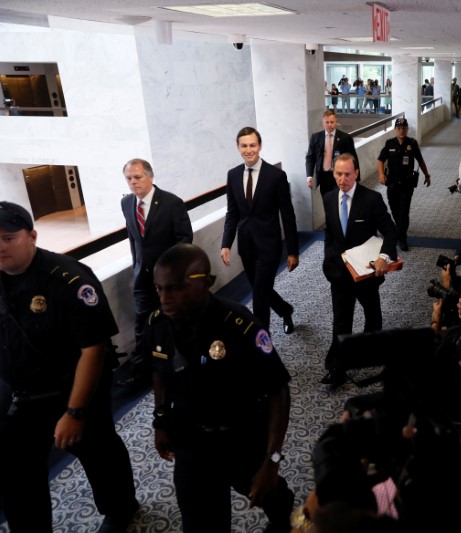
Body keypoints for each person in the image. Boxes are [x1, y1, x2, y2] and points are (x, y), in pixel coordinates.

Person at [0, 201, 139, 533]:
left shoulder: (67, 279)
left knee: (98, 452)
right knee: (18, 474)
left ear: (31, 236)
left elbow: (92, 348)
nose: (0, 247)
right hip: (22, 397)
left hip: (73, 390)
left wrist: (74, 412)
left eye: (8, 238)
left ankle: (120, 509)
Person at [146, 243, 294, 533]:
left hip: (240, 438)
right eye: (159, 288)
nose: (165, 298)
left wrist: (272, 460)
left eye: (175, 288)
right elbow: (160, 370)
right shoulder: (158, 323)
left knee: (274, 500)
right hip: (191, 441)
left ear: (207, 283)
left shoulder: (241, 326)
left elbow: (279, 390)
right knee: (201, 523)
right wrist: (161, 417)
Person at [320, 153, 398, 387]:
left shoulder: (372, 199)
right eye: (338, 174)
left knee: (372, 315)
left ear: (356, 174)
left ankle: (369, 351)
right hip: (339, 273)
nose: (342, 179)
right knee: (341, 321)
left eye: (347, 174)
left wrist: (384, 257)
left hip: (366, 273)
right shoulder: (328, 197)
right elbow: (331, 233)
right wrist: (328, 259)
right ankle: (337, 369)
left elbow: (390, 231)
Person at [117, 158, 193, 389]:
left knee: (173, 323)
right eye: (129, 178)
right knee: (142, 326)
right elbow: (134, 241)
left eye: (137, 177)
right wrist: (136, 267)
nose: (133, 183)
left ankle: (181, 367)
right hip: (142, 278)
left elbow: (185, 240)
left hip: (168, 280)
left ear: (150, 176)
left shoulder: (172, 203)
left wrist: (173, 274)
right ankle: (141, 373)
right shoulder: (127, 203)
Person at [221, 127, 299, 335]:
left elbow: (288, 215)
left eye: (252, 145)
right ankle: (285, 309)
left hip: (269, 246)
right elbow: (232, 213)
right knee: (261, 289)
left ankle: (261, 343)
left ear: (260, 146)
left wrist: (293, 251)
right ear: (238, 148)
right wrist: (226, 243)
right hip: (246, 246)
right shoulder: (233, 175)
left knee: (258, 296)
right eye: (244, 146)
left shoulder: (276, 176)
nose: (249, 150)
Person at [377, 117, 432, 251]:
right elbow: (380, 160)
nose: (401, 131)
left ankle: (402, 239)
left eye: (404, 128)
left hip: (407, 183)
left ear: (407, 129)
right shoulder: (389, 143)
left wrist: (427, 175)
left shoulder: (412, 143)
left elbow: (420, 160)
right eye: (399, 128)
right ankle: (399, 231)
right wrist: (381, 174)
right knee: (395, 209)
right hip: (392, 183)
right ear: (395, 129)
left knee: (403, 211)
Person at [306, 110, 360, 197]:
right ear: (323, 123)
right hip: (323, 178)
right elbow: (310, 157)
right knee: (327, 203)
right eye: (327, 122)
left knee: (340, 201)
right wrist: (309, 176)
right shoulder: (315, 138)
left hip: (340, 177)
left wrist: (356, 178)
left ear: (336, 122)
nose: (329, 124)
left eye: (332, 122)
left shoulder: (345, 138)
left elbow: (353, 158)